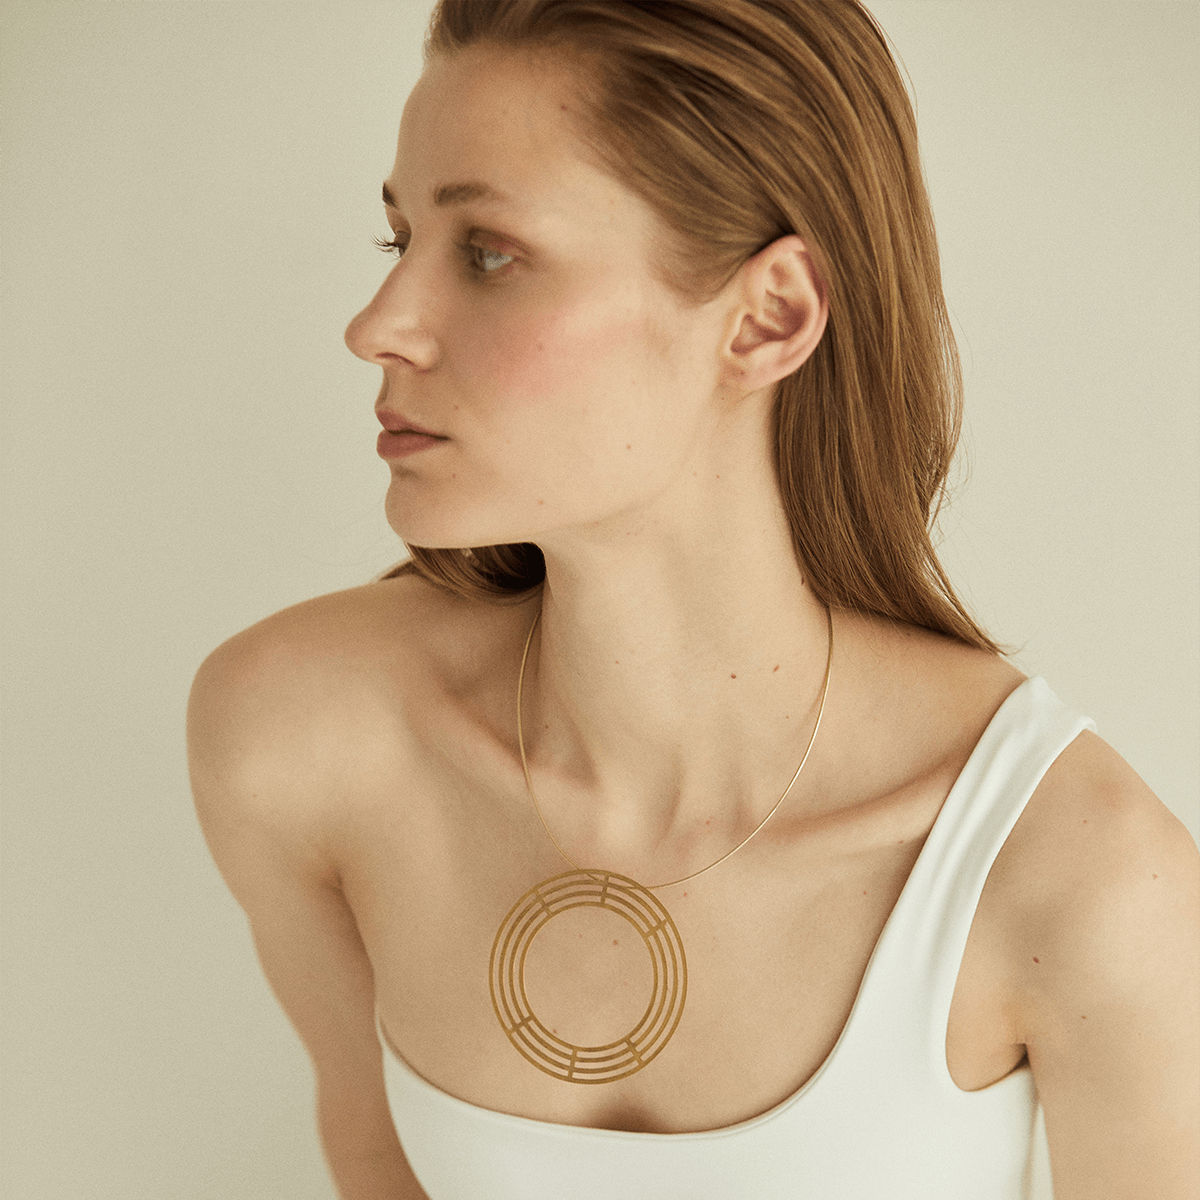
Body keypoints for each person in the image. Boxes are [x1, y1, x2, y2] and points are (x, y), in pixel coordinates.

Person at [186, 1, 1199, 1197]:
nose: (377, 327)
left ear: (769, 316)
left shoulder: (1074, 871)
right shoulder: (302, 738)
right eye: (397, 239)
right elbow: (375, 1168)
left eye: (489, 252)